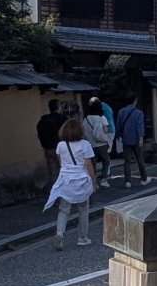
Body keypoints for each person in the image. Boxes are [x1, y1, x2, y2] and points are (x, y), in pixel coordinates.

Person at [44, 117, 97, 249]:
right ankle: (82, 238)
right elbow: (88, 165)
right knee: (83, 208)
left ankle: (60, 233)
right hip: (81, 180)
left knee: (63, 209)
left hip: (65, 180)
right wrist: (94, 180)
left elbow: (61, 163)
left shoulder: (61, 145)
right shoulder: (85, 144)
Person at [115, 94, 149, 187]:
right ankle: (143, 179)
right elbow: (139, 126)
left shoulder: (121, 112)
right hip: (136, 139)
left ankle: (128, 181)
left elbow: (118, 125)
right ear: (135, 101)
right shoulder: (139, 113)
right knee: (140, 159)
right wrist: (141, 137)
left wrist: (118, 136)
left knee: (127, 161)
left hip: (125, 139)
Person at [35, 99, 66, 188]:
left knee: (52, 173)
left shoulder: (44, 120)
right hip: (61, 149)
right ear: (58, 107)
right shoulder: (62, 119)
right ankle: (65, 193)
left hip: (47, 149)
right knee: (64, 171)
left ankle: (54, 192)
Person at [83, 102, 113, 187]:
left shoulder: (86, 118)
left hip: (90, 144)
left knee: (92, 164)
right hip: (101, 144)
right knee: (106, 161)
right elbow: (106, 130)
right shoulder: (102, 118)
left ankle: (93, 182)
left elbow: (84, 131)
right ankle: (104, 179)